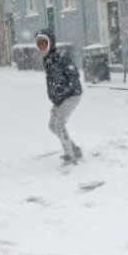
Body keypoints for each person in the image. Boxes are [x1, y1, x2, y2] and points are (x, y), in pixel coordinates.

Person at [35, 28, 82, 166]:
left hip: (71, 95)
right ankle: (74, 149)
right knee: (52, 126)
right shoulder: (47, 59)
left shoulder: (59, 58)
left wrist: (64, 91)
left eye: (45, 43)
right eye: (39, 44)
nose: (42, 46)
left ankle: (71, 156)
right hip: (60, 98)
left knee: (59, 124)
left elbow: (74, 76)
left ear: (51, 43)